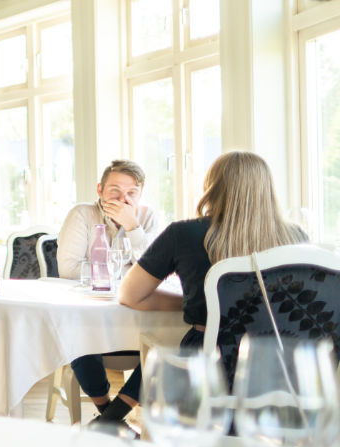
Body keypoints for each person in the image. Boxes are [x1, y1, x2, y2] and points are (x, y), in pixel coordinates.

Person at [120, 151, 306, 385]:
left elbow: (129, 295)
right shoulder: (297, 237)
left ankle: (116, 410)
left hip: (211, 363)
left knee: (163, 340)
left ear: (212, 188)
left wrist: (202, 301)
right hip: (283, 363)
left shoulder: (182, 234)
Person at [56, 160, 160, 422]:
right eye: (115, 190)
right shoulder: (81, 214)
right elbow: (68, 269)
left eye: (132, 193)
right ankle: (107, 410)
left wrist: (133, 228)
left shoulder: (148, 218)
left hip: (135, 312)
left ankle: (113, 416)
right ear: (100, 190)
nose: (123, 199)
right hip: (91, 310)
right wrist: (128, 272)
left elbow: (157, 270)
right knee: (76, 327)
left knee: (167, 340)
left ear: (140, 194)